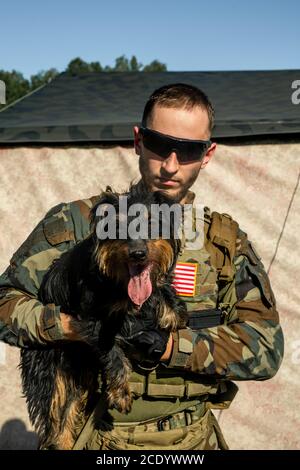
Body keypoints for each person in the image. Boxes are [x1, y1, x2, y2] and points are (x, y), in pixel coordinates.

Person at [0, 83, 284, 450]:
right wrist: (75, 327)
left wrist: (169, 347)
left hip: (189, 442)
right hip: (92, 435)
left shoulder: (223, 242)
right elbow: (4, 306)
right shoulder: (76, 223)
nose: (170, 164)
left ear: (208, 153)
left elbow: (265, 349)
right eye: (158, 143)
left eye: (188, 150)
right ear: (138, 140)